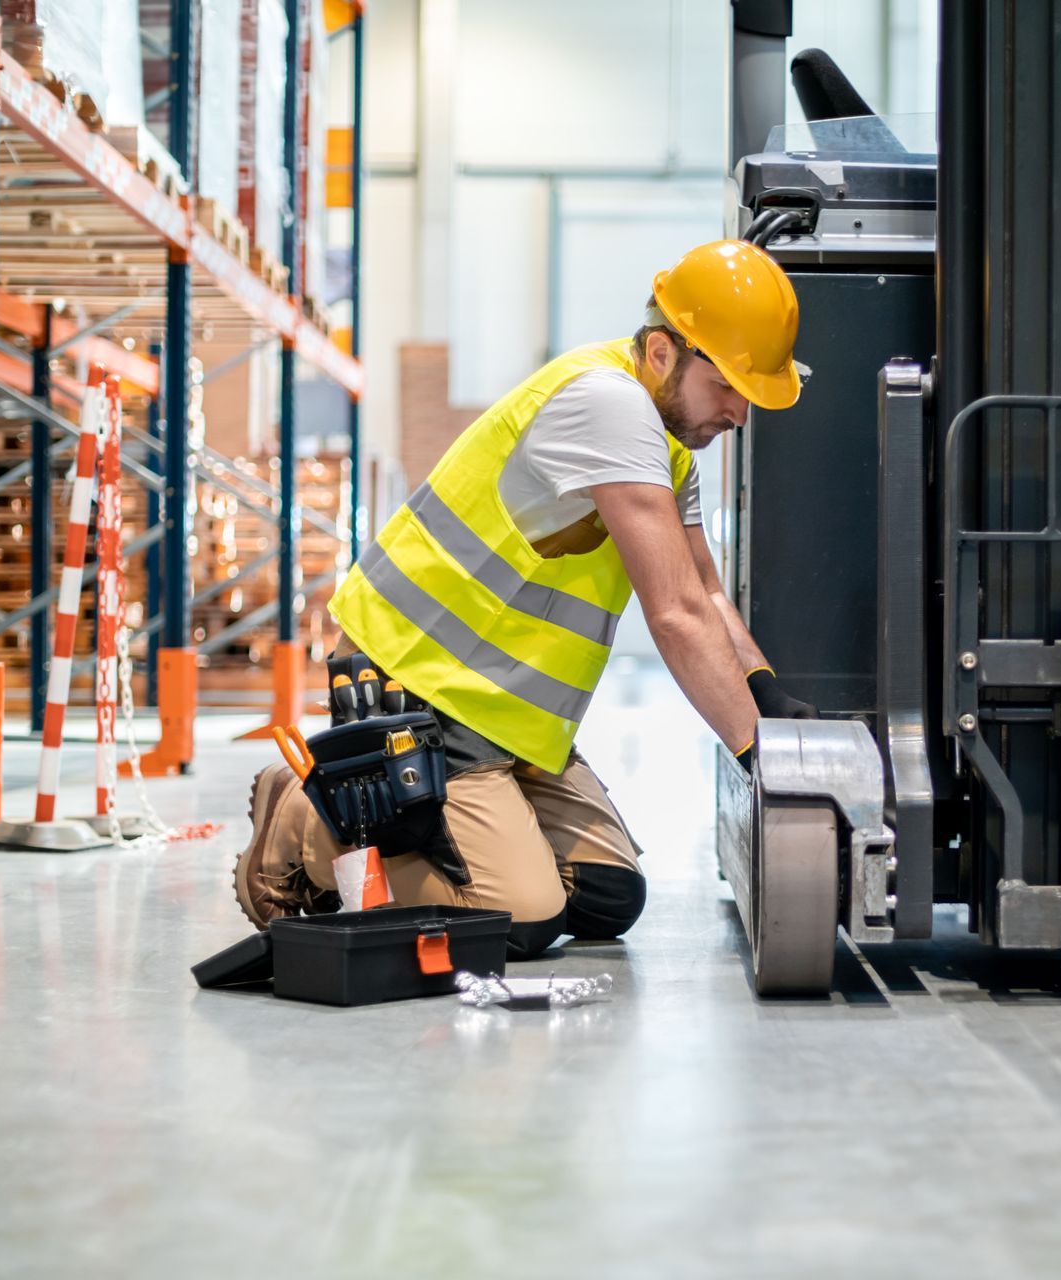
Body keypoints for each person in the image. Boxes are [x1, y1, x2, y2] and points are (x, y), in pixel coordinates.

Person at [233, 239, 818, 957]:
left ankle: (447, 827)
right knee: (523, 914)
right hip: (421, 684)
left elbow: (706, 592)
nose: (740, 412)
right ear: (664, 351)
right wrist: (756, 753)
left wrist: (767, 698)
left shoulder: (667, 447)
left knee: (607, 893)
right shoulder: (611, 406)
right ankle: (303, 822)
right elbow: (675, 614)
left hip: (508, 719)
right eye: (728, 385)